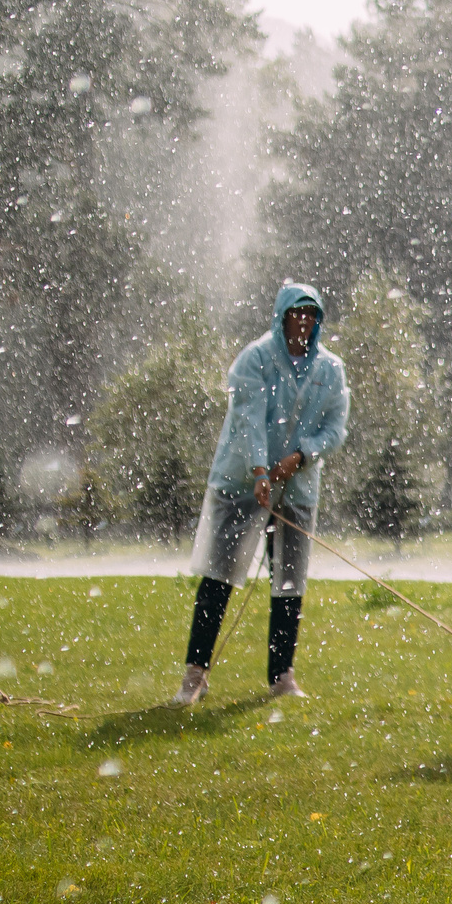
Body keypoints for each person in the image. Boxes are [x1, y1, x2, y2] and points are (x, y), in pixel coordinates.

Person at [174, 283, 350, 705]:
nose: (304, 321)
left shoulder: (330, 369)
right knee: (218, 577)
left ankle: (281, 676)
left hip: (297, 488)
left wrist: (301, 456)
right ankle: (195, 675)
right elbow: (247, 417)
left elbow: (335, 428)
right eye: (297, 313)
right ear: (282, 316)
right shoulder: (255, 360)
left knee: (289, 583)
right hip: (241, 484)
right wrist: (259, 469)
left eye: (311, 313)